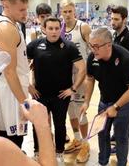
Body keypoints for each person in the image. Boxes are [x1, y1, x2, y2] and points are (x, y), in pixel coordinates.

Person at [27, 16, 86, 163]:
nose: (54, 32)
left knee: (60, 125)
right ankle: (37, 151)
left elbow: (82, 68)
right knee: (39, 124)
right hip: (40, 94)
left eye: (57, 28)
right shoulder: (34, 46)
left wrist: (73, 89)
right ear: (44, 29)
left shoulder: (69, 47)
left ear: (61, 29)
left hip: (61, 96)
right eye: (50, 28)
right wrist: (28, 86)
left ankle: (59, 153)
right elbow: (21, 66)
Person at [83, 27, 129, 166]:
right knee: (101, 133)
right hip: (105, 99)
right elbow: (90, 79)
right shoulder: (93, 58)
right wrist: (86, 102)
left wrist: (116, 106)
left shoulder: (125, 59)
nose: (93, 49)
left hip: (124, 101)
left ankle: (121, 163)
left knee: (121, 136)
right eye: (91, 45)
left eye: (96, 46)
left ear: (108, 45)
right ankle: (103, 162)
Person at [0, 0, 30, 148]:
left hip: (14, 86)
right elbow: (9, 71)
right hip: (11, 90)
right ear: (6, 5)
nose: (25, 13)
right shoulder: (6, 28)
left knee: (14, 137)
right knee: (12, 139)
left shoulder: (13, 24)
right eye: (21, 9)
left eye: (26, 9)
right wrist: (24, 103)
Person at [60, 0, 91, 163]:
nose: (67, 14)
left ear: (74, 11)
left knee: (81, 112)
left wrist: (90, 75)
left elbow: (93, 50)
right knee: (71, 111)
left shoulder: (83, 27)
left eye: (69, 11)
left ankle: (86, 144)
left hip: (81, 76)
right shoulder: (59, 29)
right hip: (66, 77)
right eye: (64, 11)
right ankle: (77, 139)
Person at [110, 5, 129, 152]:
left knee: (124, 118)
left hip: (126, 85)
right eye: (112, 18)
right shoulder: (115, 35)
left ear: (124, 19)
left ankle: (122, 144)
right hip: (117, 84)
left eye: (116, 19)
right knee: (118, 116)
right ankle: (116, 136)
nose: (113, 22)